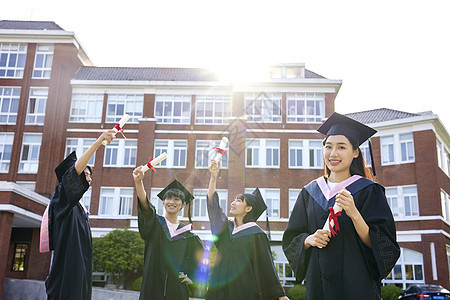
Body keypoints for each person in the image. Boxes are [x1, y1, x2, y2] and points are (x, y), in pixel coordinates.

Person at [282, 112, 400, 300]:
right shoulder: (310, 192)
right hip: (318, 288)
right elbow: (291, 239)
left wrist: (354, 214)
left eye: (341, 147)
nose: (333, 153)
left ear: (355, 152)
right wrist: (309, 240)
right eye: (328, 146)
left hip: (357, 287)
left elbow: (386, 246)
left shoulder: (370, 191)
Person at [44, 129, 116, 300]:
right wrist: (98, 143)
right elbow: (72, 176)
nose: (88, 179)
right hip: (66, 276)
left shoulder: (79, 207)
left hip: (80, 275)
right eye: (85, 174)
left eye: (90, 175)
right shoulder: (61, 199)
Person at [206, 160, 289, 300]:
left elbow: (266, 266)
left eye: (239, 200)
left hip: (242, 292)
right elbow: (213, 207)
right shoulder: (227, 229)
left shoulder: (256, 234)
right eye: (234, 200)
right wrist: (213, 177)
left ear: (248, 209)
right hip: (217, 291)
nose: (233, 202)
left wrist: (279, 295)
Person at [132, 167, 205, 300]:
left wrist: (192, 280)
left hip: (176, 292)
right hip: (152, 289)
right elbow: (145, 206)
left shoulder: (188, 235)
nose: (172, 202)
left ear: (183, 204)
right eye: (169, 198)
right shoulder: (155, 224)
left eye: (177, 199)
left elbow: (198, 264)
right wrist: (138, 182)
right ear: (163, 202)